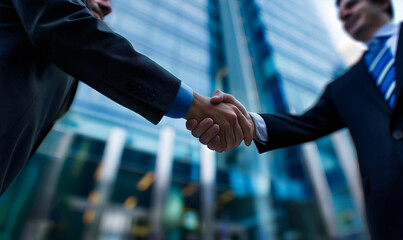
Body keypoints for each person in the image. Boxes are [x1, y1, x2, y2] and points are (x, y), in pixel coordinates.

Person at [187, 0, 403, 239]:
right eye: (339, 10)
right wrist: (246, 121)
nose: (343, 13)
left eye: (351, 4)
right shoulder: (344, 86)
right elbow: (305, 124)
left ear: (382, 3)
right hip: (391, 214)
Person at [0, 0, 255, 196]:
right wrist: (195, 105)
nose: (107, 7)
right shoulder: (63, 31)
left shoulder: (66, 69)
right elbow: (67, 29)